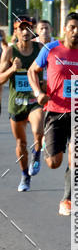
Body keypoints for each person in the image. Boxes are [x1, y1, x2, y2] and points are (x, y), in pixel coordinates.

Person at [27, 12, 78, 216]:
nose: (76, 31)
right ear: (65, 29)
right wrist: (38, 92)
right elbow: (33, 71)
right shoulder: (50, 49)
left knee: (76, 156)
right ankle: (43, 148)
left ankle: (67, 199)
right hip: (54, 112)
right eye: (72, 27)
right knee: (54, 162)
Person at [0, 17, 43, 191]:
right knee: (21, 143)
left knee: (38, 130)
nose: (25, 32)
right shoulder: (10, 52)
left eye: (28, 28)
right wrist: (12, 69)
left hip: (34, 101)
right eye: (21, 28)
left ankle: (37, 154)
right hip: (16, 104)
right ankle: (25, 175)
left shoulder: (39, 49)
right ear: (16, 32)